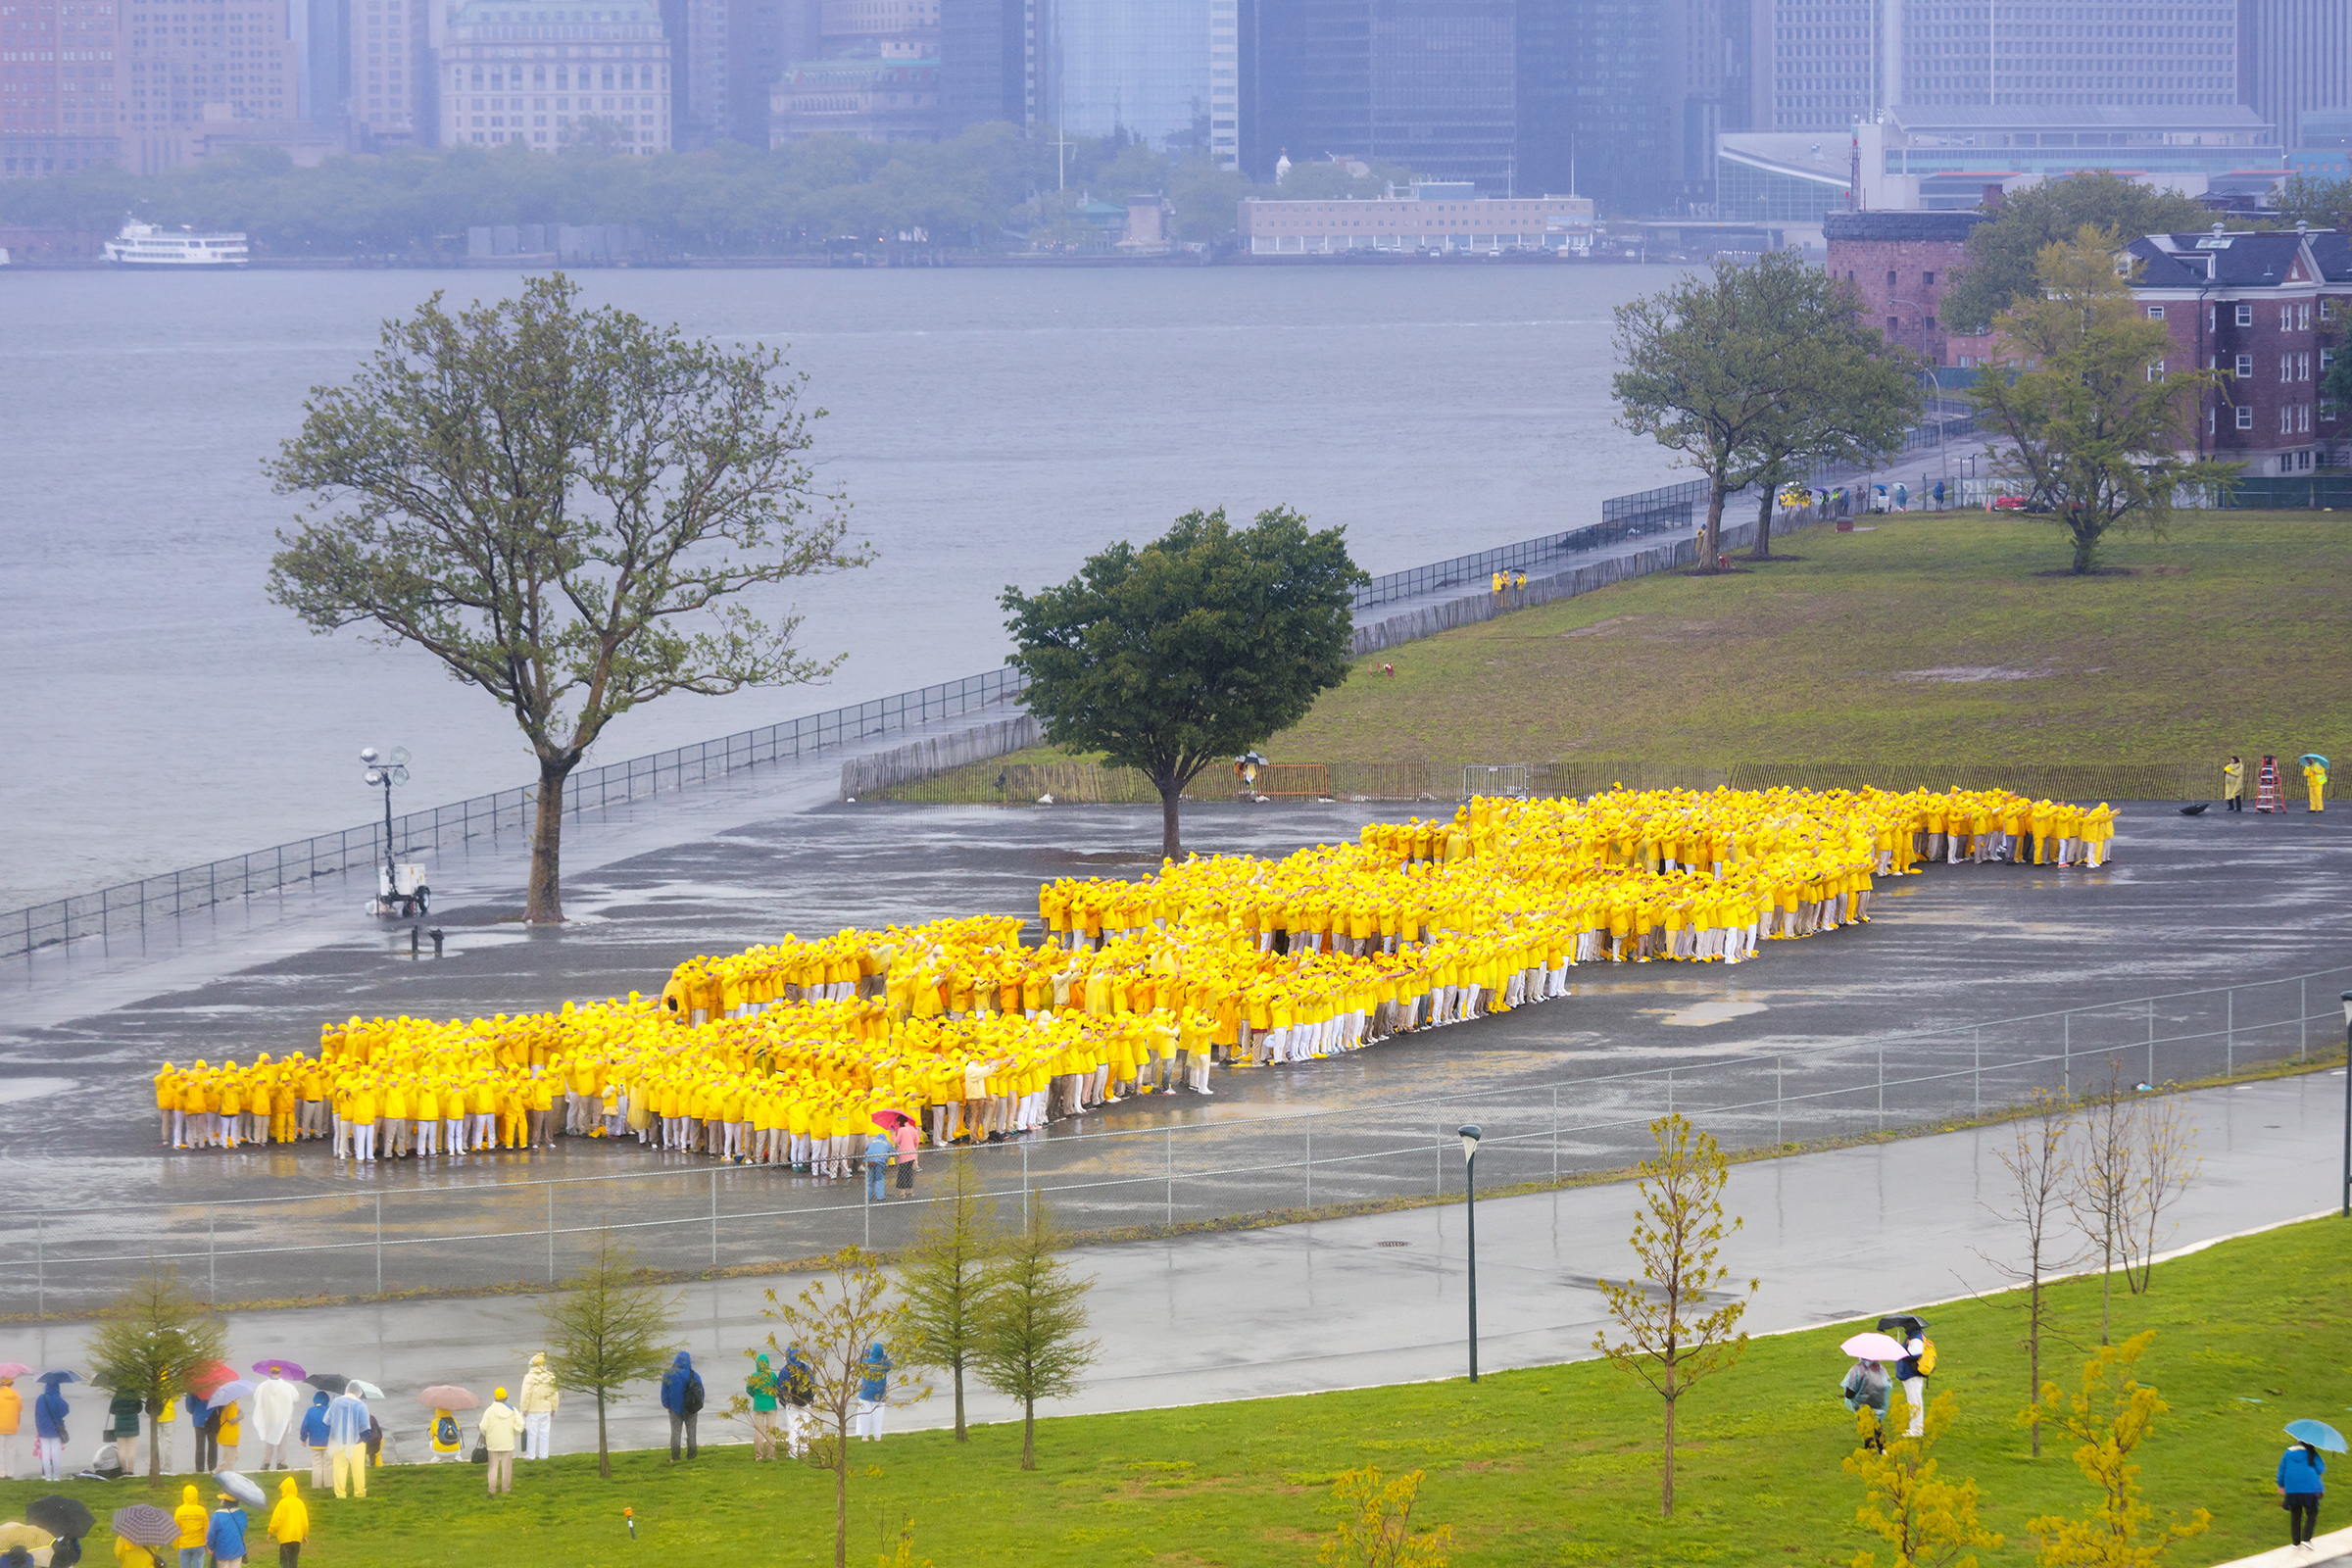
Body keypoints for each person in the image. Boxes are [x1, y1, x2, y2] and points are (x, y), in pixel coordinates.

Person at [2279, 1439, 2327, 1550]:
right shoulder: (2311, 1453)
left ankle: (2296, 1542)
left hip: (2292, 1489)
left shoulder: (2288, 1452)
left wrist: (2281, 1485)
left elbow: (2281, 1470)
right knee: (2312, 1513)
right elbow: (2321, 1469)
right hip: (2310, 1489)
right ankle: (2306, 1538)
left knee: (2295, 1515)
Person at [322, 1391, 370, 1498]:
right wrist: (365, 1439)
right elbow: (364, 1425)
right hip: (357, 1444)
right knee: (358, 1470)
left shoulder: (336, 1402)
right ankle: (359, 1493)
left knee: (339, 1469)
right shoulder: (361, 1405)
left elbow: (327, 1421)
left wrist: (331, 1435)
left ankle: (340, 1494)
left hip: (339, 1442)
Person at [476, 1388, 521, 1496]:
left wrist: (486, 1433)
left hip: (493, 1443)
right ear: (506, 1398)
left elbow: (483, 1427)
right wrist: (512, 1434)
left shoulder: (490, 1410)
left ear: (495, 1398)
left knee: (493, 1467)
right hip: (507, 1442)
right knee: (507, 1467)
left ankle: (492, 1489)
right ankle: (506, 1489)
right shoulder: (512, 1410)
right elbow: (520, 1425)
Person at [659, 1351, 703, 1462]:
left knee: (676, 1433)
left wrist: (667, 1405)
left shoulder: (669, 1374)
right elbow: (700, 1392)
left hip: (675, 1408)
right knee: (691, 1433)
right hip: (691, 1409)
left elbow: (664, 1391)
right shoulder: (694, 1375)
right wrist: (696, 1406)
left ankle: (676, 1457)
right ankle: (691, 1456)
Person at [252, 1368, 298, 1471]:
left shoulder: (262, 1386)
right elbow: (296, 1397)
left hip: (269, 1417)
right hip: (283, 1418)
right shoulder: (287, 1386)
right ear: (280, 1372)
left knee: (269, 1440)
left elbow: (256, 1398)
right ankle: (280, 1462)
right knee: (282, 1441)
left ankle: (266, 1462)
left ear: (270, 1372)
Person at [1842, 1358, 1891, 1452]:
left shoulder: (1856, 1369)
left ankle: (1869, 1450)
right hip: (1879, 1403)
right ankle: (1883, 1448)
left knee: (1867, 1427)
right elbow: (1887, 1384)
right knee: (1877, 1424)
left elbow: (1850, 1392)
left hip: (1862, 1404)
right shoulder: (1881, 1368)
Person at [518, 1351, 559, 1461]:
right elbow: (554, 1394)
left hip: (533, 1410)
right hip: (546, 1409)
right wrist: (554, 1409)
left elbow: (526, 1394)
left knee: (531, 1434)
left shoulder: (529, 1377)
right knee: (544, 1434)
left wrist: (524, 1409)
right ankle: (544, 1455)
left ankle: (531, 1456)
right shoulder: (550, 1376)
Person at [266, 1476, 309, 1568]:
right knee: (294, 1560)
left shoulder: (282, 1503)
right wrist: (305, 1534)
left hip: (285, 1538)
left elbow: (276, 1520)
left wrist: (271, 1531)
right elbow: (304, 1521)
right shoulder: (300, 1503)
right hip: (297, 1537)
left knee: (284, 1560)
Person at [34, 1373, 70, 1482]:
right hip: (56, 1429)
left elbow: (37, 1414)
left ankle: (47, 1477)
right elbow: (65, 1411)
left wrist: (39, 1428)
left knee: (45, 1453)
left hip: (43, 1430)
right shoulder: (58, 1399)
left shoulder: (40, 1398)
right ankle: (56, 1477)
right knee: (56, 1454)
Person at [780, 1347, 813, 1459]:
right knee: (805, 1427)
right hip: (805, 1402)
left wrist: (783, 1403)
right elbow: (813, 1386)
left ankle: (793, 1453)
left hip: (791, 1403)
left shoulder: (785, 1371)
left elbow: (780, 1389)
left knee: (792, 1427)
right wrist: (810, 1398)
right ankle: (805, 1451)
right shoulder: (806, 1368)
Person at [746, 1355, 779, 1461]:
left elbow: (749, 1389)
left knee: (758, 1431)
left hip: (758, 1405)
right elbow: (777, 1388)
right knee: (771, 1431)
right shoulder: (772, 1375)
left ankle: (759, 1455)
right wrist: (772, 1396)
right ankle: (770, 1455)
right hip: (771, 1405)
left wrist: (756, 1396)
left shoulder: (752, 1376)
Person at [855, 1343, 891, 1442]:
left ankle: (865, 1436)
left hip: (866, 1392)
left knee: (864, 1414)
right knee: (878, 1416)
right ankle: (877, 1436)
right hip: (879, 1393)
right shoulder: (884, 1364)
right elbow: (890, 1364)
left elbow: (858, 1362)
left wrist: (865, 1353)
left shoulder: (866, 1362)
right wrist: (883, 1356)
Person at [206, 1492, 249, 1568]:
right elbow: (242, 1529)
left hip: (222, 1551)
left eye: (223, 1499)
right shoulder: (241, 1513)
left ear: (226, 1501)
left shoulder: (217, 1515)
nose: (221, 1500)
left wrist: (211, 1547)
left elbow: (211, 1534)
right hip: (238, 1549)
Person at [298, 1393, 331, 1489]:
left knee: (317, 1464)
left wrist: (303, 1439)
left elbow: (305, 1427)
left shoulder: (310, 1411)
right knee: (328, 1464)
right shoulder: (331, 1410)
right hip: (329, 1442)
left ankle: (316, 1485)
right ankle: (329, 1485)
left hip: (315, 1442)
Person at [172, 1485, 208, 1568]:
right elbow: (206, 1529)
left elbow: (175, 1530)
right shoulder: (201, 1510)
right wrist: (206, 1545)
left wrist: (176, 1546)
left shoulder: (179, 1510)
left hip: (183, 1545)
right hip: (198, 1544)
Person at [864, 1126, 895, 1201]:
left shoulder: (873, 1141)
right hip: (880, 1161)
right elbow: (894, 1152)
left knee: (870, 1178)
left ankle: (868, 1196)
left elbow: (867, 1148)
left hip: (869, 1160)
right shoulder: (887, 1143)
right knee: (879, 1178)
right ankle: (880, 1196)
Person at [0, 1373, 19, 1480]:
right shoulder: (16, 1396)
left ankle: (1, 1473)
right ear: (11, 1384)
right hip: (12, 1427)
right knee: (10, 1450)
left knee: (0, 1451)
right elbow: (20, 1408)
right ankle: (10, 1473)